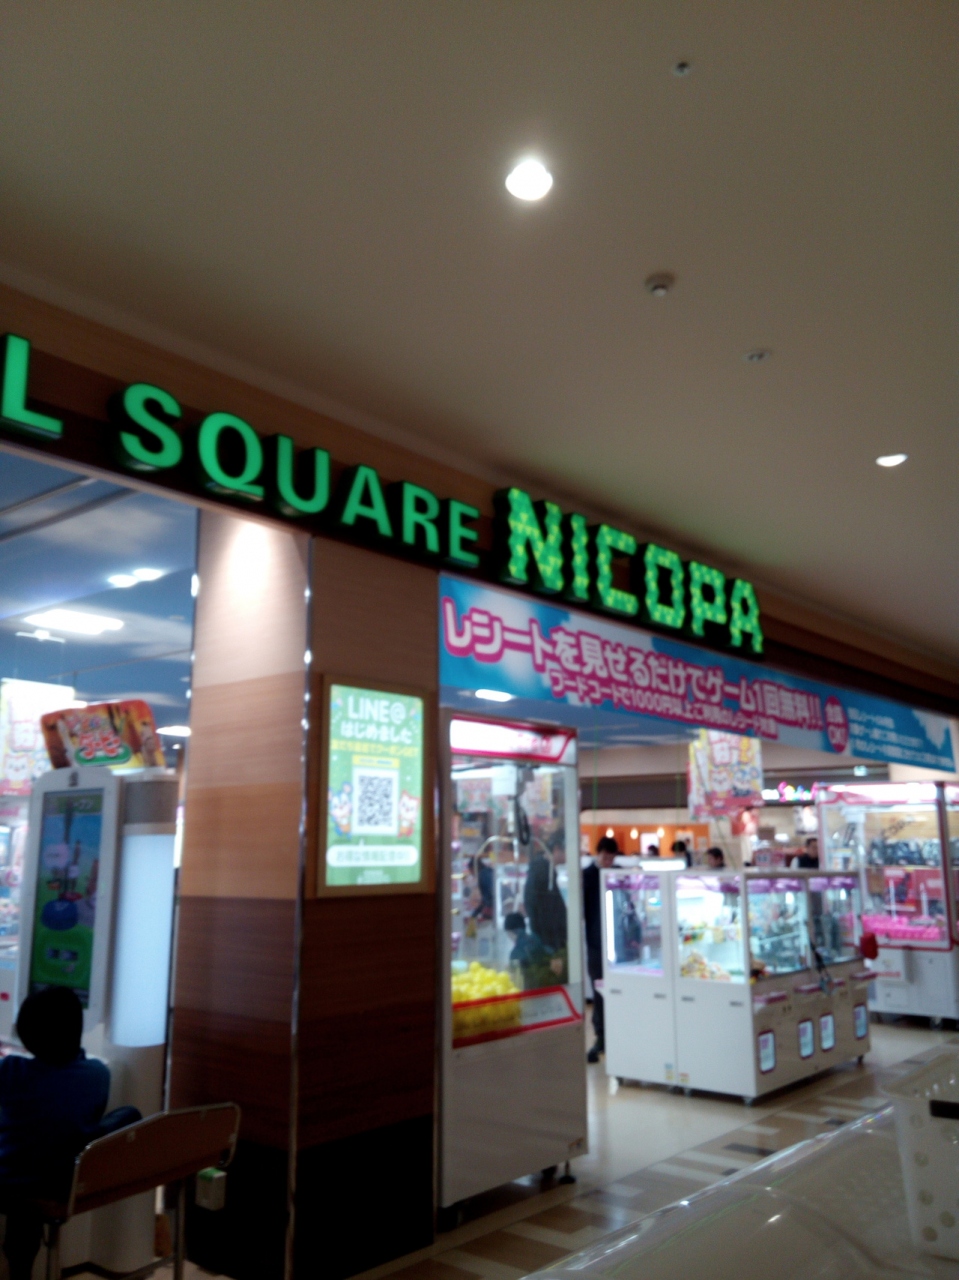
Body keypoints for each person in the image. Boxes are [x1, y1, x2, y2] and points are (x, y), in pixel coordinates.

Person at [0, 988, 111, 1280]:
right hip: (65, 1180)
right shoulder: (98, 1075)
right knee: (124, 1116)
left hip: (11, 1180)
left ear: (26, 1036)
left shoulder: (11, 1070)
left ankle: (19, 1269)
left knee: (25, 1153)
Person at [582, 835, 618, 1063]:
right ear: (598, 854)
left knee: (617, 991)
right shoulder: (587, 876)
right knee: (600, 992)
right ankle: (601, 1036)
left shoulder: (617, 875)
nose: (608, 862)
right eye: (605, 857)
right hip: (596, 945)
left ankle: (616, 1034)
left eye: (611, 858)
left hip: (617, 945)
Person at [504, 912, 558, 990]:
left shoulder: (516, 953)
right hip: (548, 986)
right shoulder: (536, 939)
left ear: (509, 932)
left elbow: (515, 979)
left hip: (531, 989)